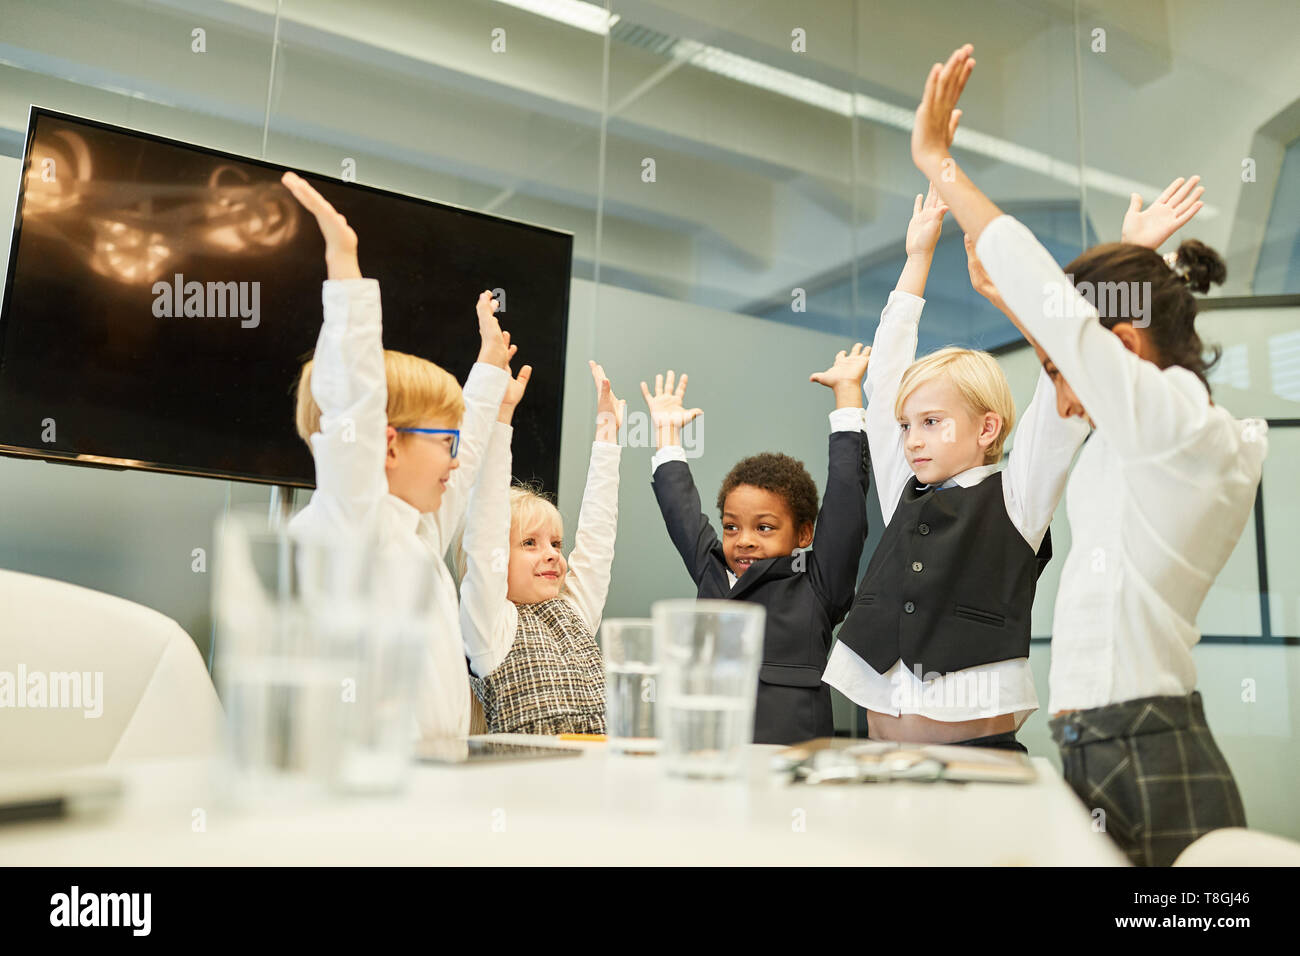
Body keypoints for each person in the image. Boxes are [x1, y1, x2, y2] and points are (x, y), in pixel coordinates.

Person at [911, 44, 1266, 864]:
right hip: (1100, 742)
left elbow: (1074, 336)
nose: (1064, 377)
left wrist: (942, 167)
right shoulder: (1149, 432)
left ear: (1126, 342)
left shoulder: (1181, 423)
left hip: (1149, 750)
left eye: (1085, 352)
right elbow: (1075, 350)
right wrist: (1119, 262)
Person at [823, 182, 1089, 752]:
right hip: (884, 761)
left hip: (979, 763)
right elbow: (886, 374)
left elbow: (1057, 391)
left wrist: (1010, 296)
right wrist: (917, 259)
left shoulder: (1017, 498)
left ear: (987, 428)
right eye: (906, 426)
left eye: (933, 422)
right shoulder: (904, 490)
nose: (912, 441)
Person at [281, 170, 512, 740]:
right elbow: (354, 405)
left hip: (432, 790)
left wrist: (487, 371)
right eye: (443, 444)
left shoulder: (416, 535)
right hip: (365, 801)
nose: (454, 462)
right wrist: (345, 266)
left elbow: (472, 450)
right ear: (385, 443)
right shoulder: (352, 523)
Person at [643, 348, 871, 745]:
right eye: (731, 527)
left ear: (803, 535)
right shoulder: (713, 569)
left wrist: (848, 398)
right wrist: (667, 437)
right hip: (712, 757)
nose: (744, 539)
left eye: (764, 528)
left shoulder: (818, 583)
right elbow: (680, 511)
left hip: (791, 765)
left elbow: (847, 504)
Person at [457, 360, 624, 735]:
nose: (551, 553)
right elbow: (485, 528)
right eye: (529, 543)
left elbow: (598, 537)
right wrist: (500, 421)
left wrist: (607, 435)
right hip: (529, 787)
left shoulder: (573, 611)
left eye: (555, 543)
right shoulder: (489, 627)